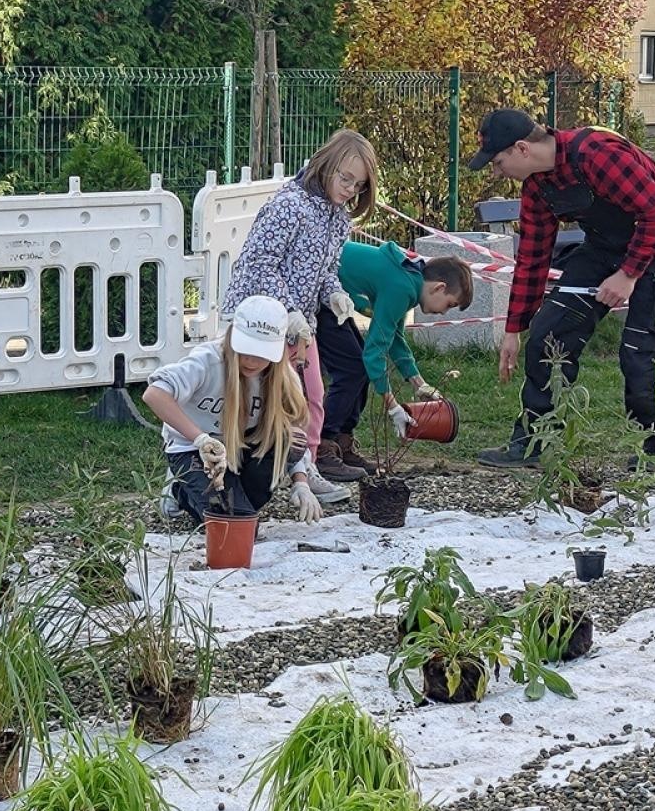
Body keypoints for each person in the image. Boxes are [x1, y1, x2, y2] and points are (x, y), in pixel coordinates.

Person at [467, 109, 655, 468]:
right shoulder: (538, 188)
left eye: (497, 162)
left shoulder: (597, 153)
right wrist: (514, 328)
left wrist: (628, 275)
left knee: (641, 351)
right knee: (548, 334)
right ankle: (535, 443)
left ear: (522, 149)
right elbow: (532, 259)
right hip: (604, 246)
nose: (497, 172)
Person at [219, 128, 381, 496]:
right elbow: (260, 263)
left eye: (358, 186)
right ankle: (225, 471)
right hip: (258, 322)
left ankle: (304, 473)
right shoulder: (289, 206)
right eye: (345, 179)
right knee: (248, 400)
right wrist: (287, 309)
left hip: (300, 327)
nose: (350, 190)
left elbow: (325, 271)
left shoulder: (338, 218)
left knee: (310, 397)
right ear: (327, 164)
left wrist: (336, 295)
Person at [142, 295, 323, 527]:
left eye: (261, 353)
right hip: (194, 448)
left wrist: (301, 482)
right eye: (246, 349)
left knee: (247, 511)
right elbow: (154, 394)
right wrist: (201, 439)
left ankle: (236, 494)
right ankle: (180, 489)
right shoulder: (208, 360)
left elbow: (292, 433)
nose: (251, 360)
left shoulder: (283, 379)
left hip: (240, 448)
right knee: (231, 523)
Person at [317, 243, 474, 474]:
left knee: (358, 366)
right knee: (352, 369)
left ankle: (342, 441)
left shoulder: (409, 281)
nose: (443, 312)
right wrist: (393, 407)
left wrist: (419, 383)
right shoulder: (402, 287)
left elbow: (394, 338)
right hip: (317, 292)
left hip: (332, 296)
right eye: (449, 304)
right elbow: (375, 351)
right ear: (439, 287)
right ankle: (321, 446)